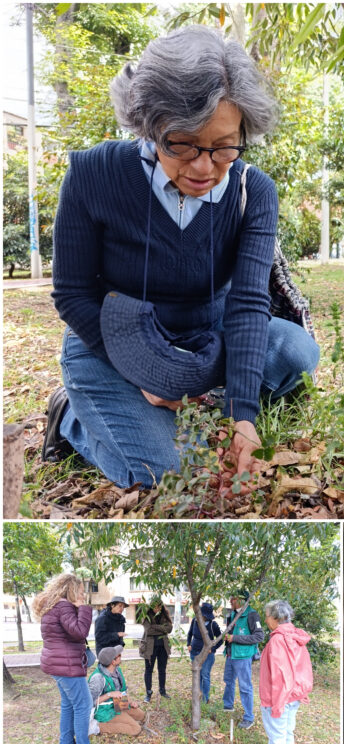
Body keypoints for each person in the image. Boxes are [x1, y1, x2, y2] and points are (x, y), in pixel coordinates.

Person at [43, 24, 319, 494]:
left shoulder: (255, 192)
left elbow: (250, 303)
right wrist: (141, 371)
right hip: (111, 346)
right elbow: (72, 294)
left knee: (295, 351)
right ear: (149, 125)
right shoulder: (93, 175)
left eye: (223, 146)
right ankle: (70, 417)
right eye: (183, 144)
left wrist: (242, 415)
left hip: (205, 340)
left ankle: (197, 395)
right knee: (169, 475)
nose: (203, 167)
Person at [35, 573, 105, 744]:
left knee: (68, 704)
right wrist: (83, 608)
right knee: (83, 705)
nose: (83, 595)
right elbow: (79, 632)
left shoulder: (52, 606)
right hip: (66, 666)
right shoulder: (64, 606)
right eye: (81, 592)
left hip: (57, 665)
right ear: (71, 589)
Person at [259, 600, 314, 744]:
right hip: (293, 695)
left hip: (279, 697)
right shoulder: (295, 635)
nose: (266, 620)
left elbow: (279, 675)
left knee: (277, 735)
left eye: (267, 616)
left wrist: (277, 704)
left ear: (276, 618)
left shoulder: (278, 640)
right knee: (287, 731)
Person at [223, 589, 265, 729]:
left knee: (245, 686)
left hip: (243, 656)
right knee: (228, 681)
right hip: (231, 654)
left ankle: (249, 717)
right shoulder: (233, 614)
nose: (231, 601)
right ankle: (228, 705)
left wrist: (235, 638)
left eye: (233, 598)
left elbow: (259, 637)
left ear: (242, 600)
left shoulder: (252, 615)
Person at [87, 645, 146, 736]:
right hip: (104, 710)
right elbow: (89, 703)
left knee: (141, 716)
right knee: (135, 729)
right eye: (119, 655)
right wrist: (109, 695)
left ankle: (123, 717)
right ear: (113, 661)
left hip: (117, 703)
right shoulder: (97, 678)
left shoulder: (117, 670)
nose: (120, 655)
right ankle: (97, 727)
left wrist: (130, 702)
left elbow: (122, 692)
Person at [187, 602, 223, 703]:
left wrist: (213, 648)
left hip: (207, 654)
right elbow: (190, 634)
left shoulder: (213, 625)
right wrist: (188, 644)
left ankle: (205, 698)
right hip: (195, 652)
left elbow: (220, 639)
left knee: (205, 675)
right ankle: (198, 696)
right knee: (197, 675)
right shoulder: (195, 621)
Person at [139, 598, 173, 702]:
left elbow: (169, 629)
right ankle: (148, 693)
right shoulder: (146, 615)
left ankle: (162, 691)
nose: (157, 609)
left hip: (163, 646)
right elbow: (148, 630)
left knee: (162, 670)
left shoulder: (164, 615)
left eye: (159, 606)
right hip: (150, 647)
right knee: (149, 670)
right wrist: (162, 629)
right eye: (155, 606)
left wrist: (155, 627)